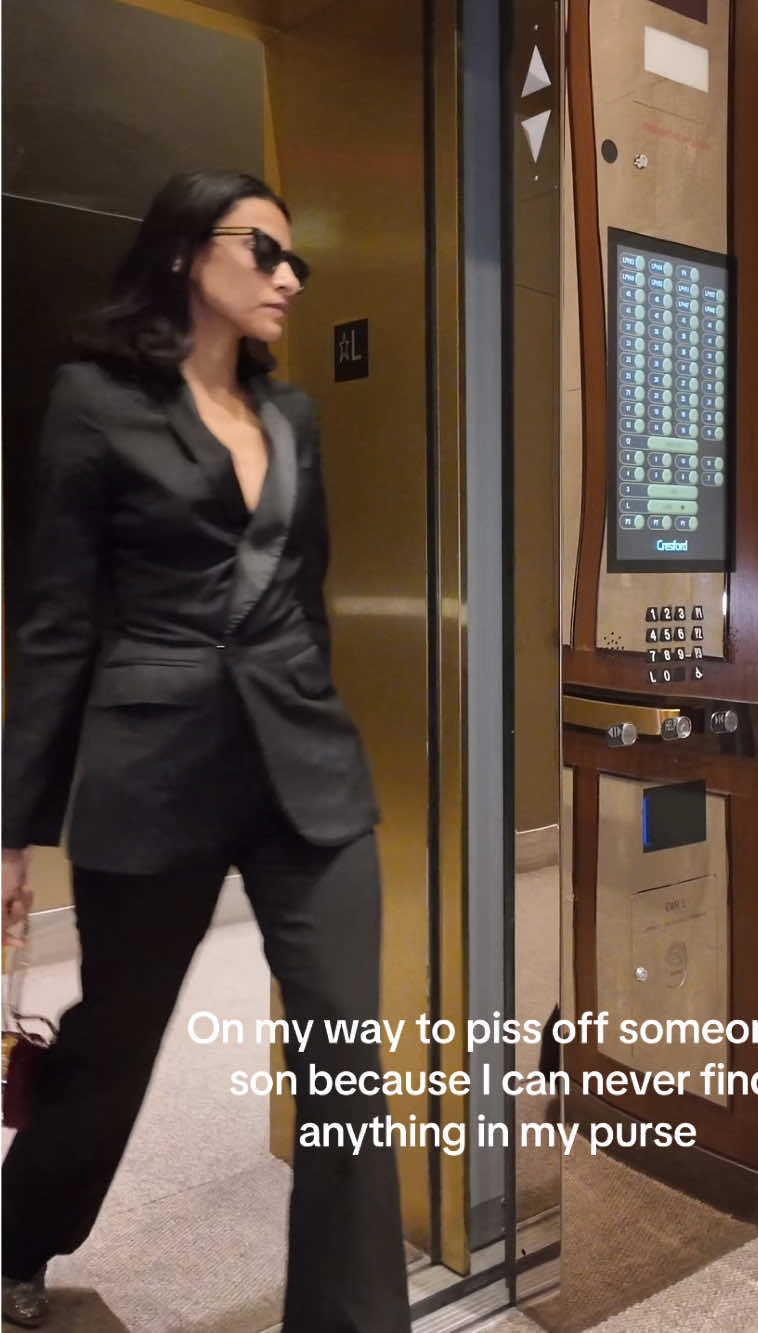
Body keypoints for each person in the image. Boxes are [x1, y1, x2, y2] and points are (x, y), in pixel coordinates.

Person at [1, 171, 411, 1333]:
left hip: (306, 779)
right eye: (264, 251)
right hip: (155, 769)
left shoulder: (294, 418)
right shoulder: (93, 402)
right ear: (185, 252)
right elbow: (56, 623)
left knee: (346, 1058)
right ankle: (18, 1235)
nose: (289, 278)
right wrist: (13, 832)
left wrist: (316, 708)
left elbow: (304, 596)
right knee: (113, 1047)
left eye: (297, 261)